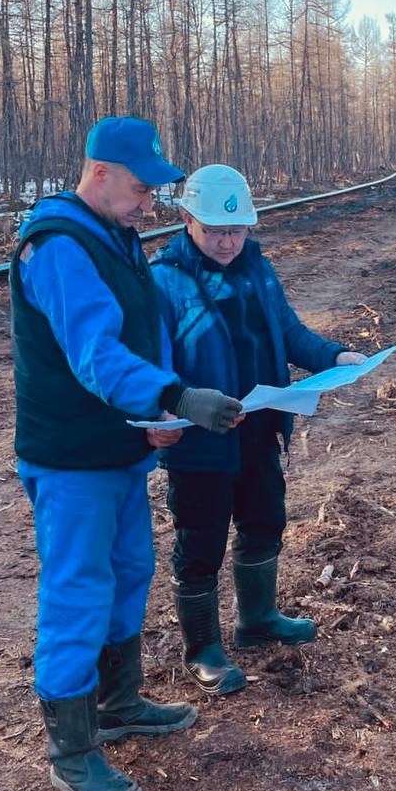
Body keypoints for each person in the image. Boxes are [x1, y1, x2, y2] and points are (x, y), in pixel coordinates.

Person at [11, 117, 245, 791]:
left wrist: (157, 420)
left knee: (130, 571)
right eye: (143, 187)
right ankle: (72, 750)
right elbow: (96, 353)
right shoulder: (57, 245)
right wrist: (173, 396)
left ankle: (117, 702)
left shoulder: (117, 234)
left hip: (121, 447)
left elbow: (146, 333)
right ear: (100, 171)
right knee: (78, 590)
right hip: (71, 458)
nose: (151, 203)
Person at [151, 164, 365, 695]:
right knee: (200, 541)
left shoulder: (258, 268)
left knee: (265, 520)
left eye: (237, 229)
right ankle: (202, 648)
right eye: (216, 231)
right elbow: (150, 363)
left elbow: (288, 332)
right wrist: (165, 410)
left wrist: (334, 355)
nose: (227, 241)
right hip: (201, 442)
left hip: (260, 425)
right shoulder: (164, 280)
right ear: (186, 220)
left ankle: (257, 619)